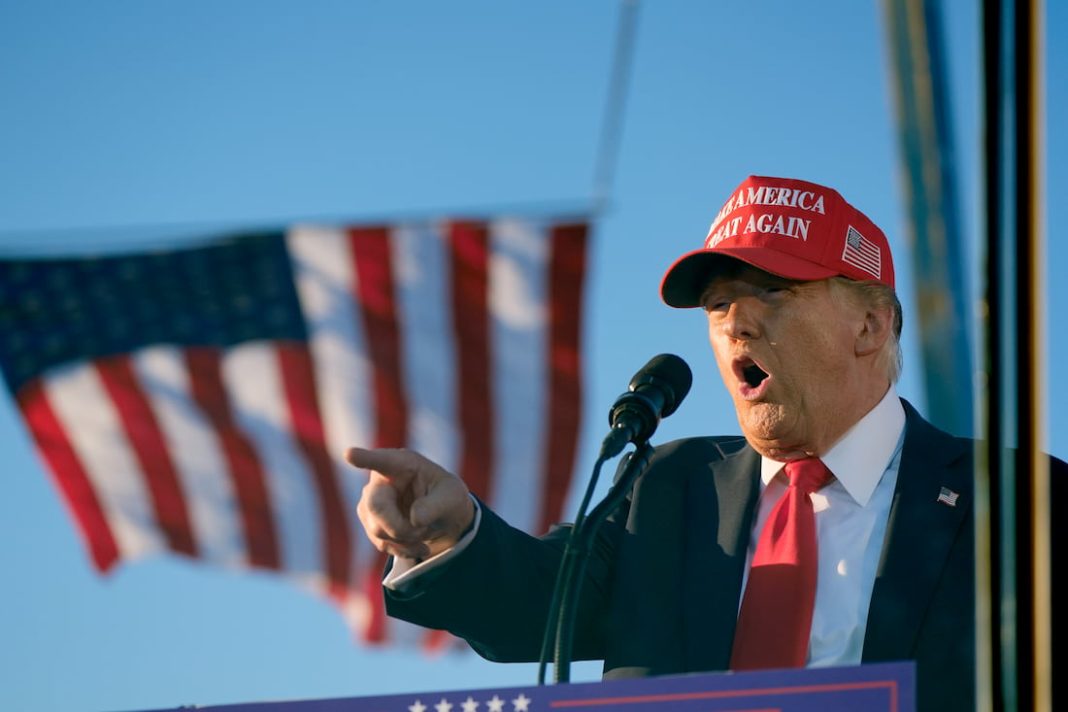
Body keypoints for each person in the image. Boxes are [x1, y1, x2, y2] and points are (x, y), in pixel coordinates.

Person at [348, 175, 1065, 712]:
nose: (734, 325)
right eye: (718, 304)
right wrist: (448, 536)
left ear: (871, 326)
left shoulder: (1019, 504)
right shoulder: (666, 487)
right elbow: (534, 606)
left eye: (772, 292)